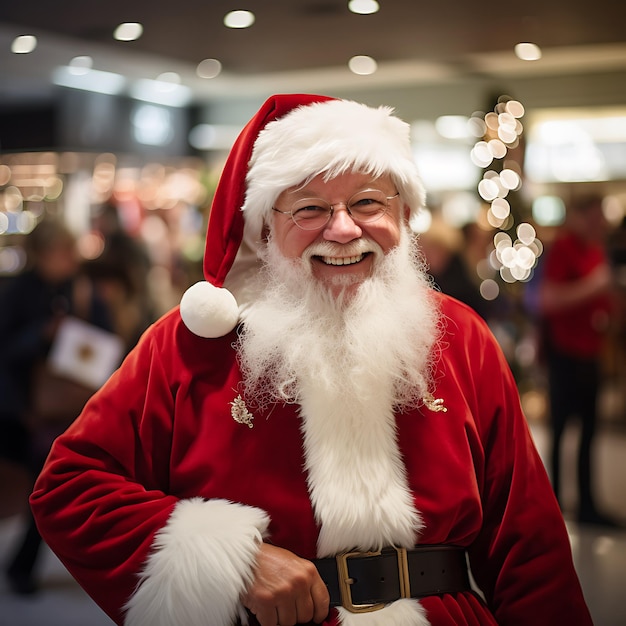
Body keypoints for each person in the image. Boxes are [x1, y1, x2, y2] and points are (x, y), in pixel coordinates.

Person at [30, 95, 592, 626]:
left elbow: (528, 542)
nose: (344, 229)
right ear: (264, 228)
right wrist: (234, 560)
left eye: (368, 202)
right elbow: (69, 487)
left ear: (403, 212)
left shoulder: (460, 336)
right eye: (310, 208)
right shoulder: (188, 343)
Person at [0, 218, 113, 594]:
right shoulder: (18, 292)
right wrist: (41, 336)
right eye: (62, 251)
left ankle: (24, 567)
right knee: (47, 489)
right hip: (31, 411)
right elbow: (7, 352)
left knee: (57, 486)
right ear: (43, 254)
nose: (70, 258)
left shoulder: (80, 288)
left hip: (74, 406)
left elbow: (104, 335)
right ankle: (23, 567)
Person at [539, 193, 618, 526]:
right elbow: (548, 299)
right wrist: (595, 286)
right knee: (560, 432)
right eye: (595, 217)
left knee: (589, 433)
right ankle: (554, 504)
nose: (600, 224)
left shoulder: (596, 250)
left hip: (590, 351)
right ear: (581, 216)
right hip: (565, 354)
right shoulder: (564, 248)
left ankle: (587, 504)